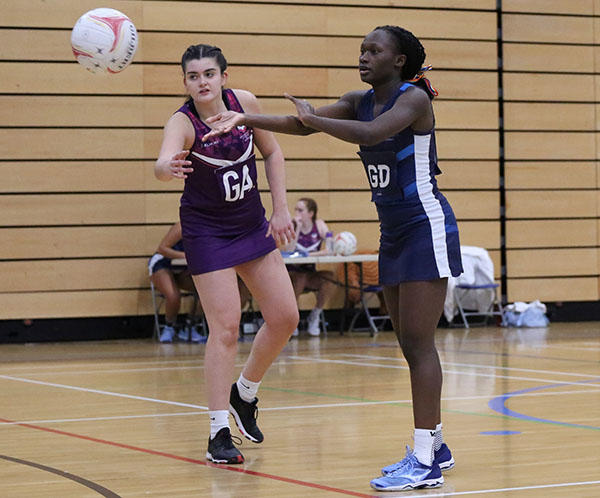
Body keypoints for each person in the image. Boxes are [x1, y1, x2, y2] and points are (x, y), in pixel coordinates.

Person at [204, 26, 462, 491]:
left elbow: (371, 133)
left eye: (374, 51)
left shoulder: (414, 99)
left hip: (426, 227)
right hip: (393, 232)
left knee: (420, 346)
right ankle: (436, 445)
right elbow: (301, 124)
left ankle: (425, 460)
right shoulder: (358, 100)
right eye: (361, 49)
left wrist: (313, 120)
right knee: (409, 345)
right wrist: (245, 119)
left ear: (399, 61)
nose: (363, 56)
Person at [154, 44, 299, 465]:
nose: (201, 82)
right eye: (193, 76)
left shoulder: (245, 104)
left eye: (208, 74)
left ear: (223, 77)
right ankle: (218, 431)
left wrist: (281, 209)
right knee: (226, 327)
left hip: (251, 225)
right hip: (207, 232)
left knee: (286, 317)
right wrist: (167, 168)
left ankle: (245, 394)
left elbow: (272, 151)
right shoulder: (182, 122)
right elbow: (162, 162)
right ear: (185, 82)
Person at [283, 198, 337, 337]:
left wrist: (310, 254)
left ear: (311, 213)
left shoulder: (319, 225)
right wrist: (297, 229)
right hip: (292, 273)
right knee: (300, 278)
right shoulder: (292, 225)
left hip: (310, 273)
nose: (297, 213)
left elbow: (330, 249)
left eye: (300, 210)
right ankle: (292, 319)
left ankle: (315, 315)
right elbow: (289, 250)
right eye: (296, 209)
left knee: (329, 278)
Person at [148, 221, 204, 343]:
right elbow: (162, 249)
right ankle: (169, 327)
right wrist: (185, 256)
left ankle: (190, 325)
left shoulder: (208, 228)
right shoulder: (182, 225)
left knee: (207, 293)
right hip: (163, 263)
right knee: (173, 296)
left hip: (184, 267)